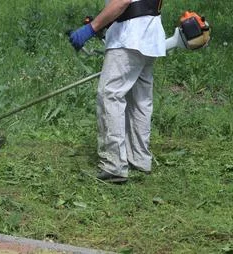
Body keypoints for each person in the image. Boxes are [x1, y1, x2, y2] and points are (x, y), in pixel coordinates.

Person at [69, 0, 166, 183]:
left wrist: (91, 28)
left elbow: (122, 1)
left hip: (129, 38)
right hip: (149, 34)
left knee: (110, 95)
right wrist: (104, 22)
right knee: (139, 100)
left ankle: (114, 165)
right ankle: (138, 158)